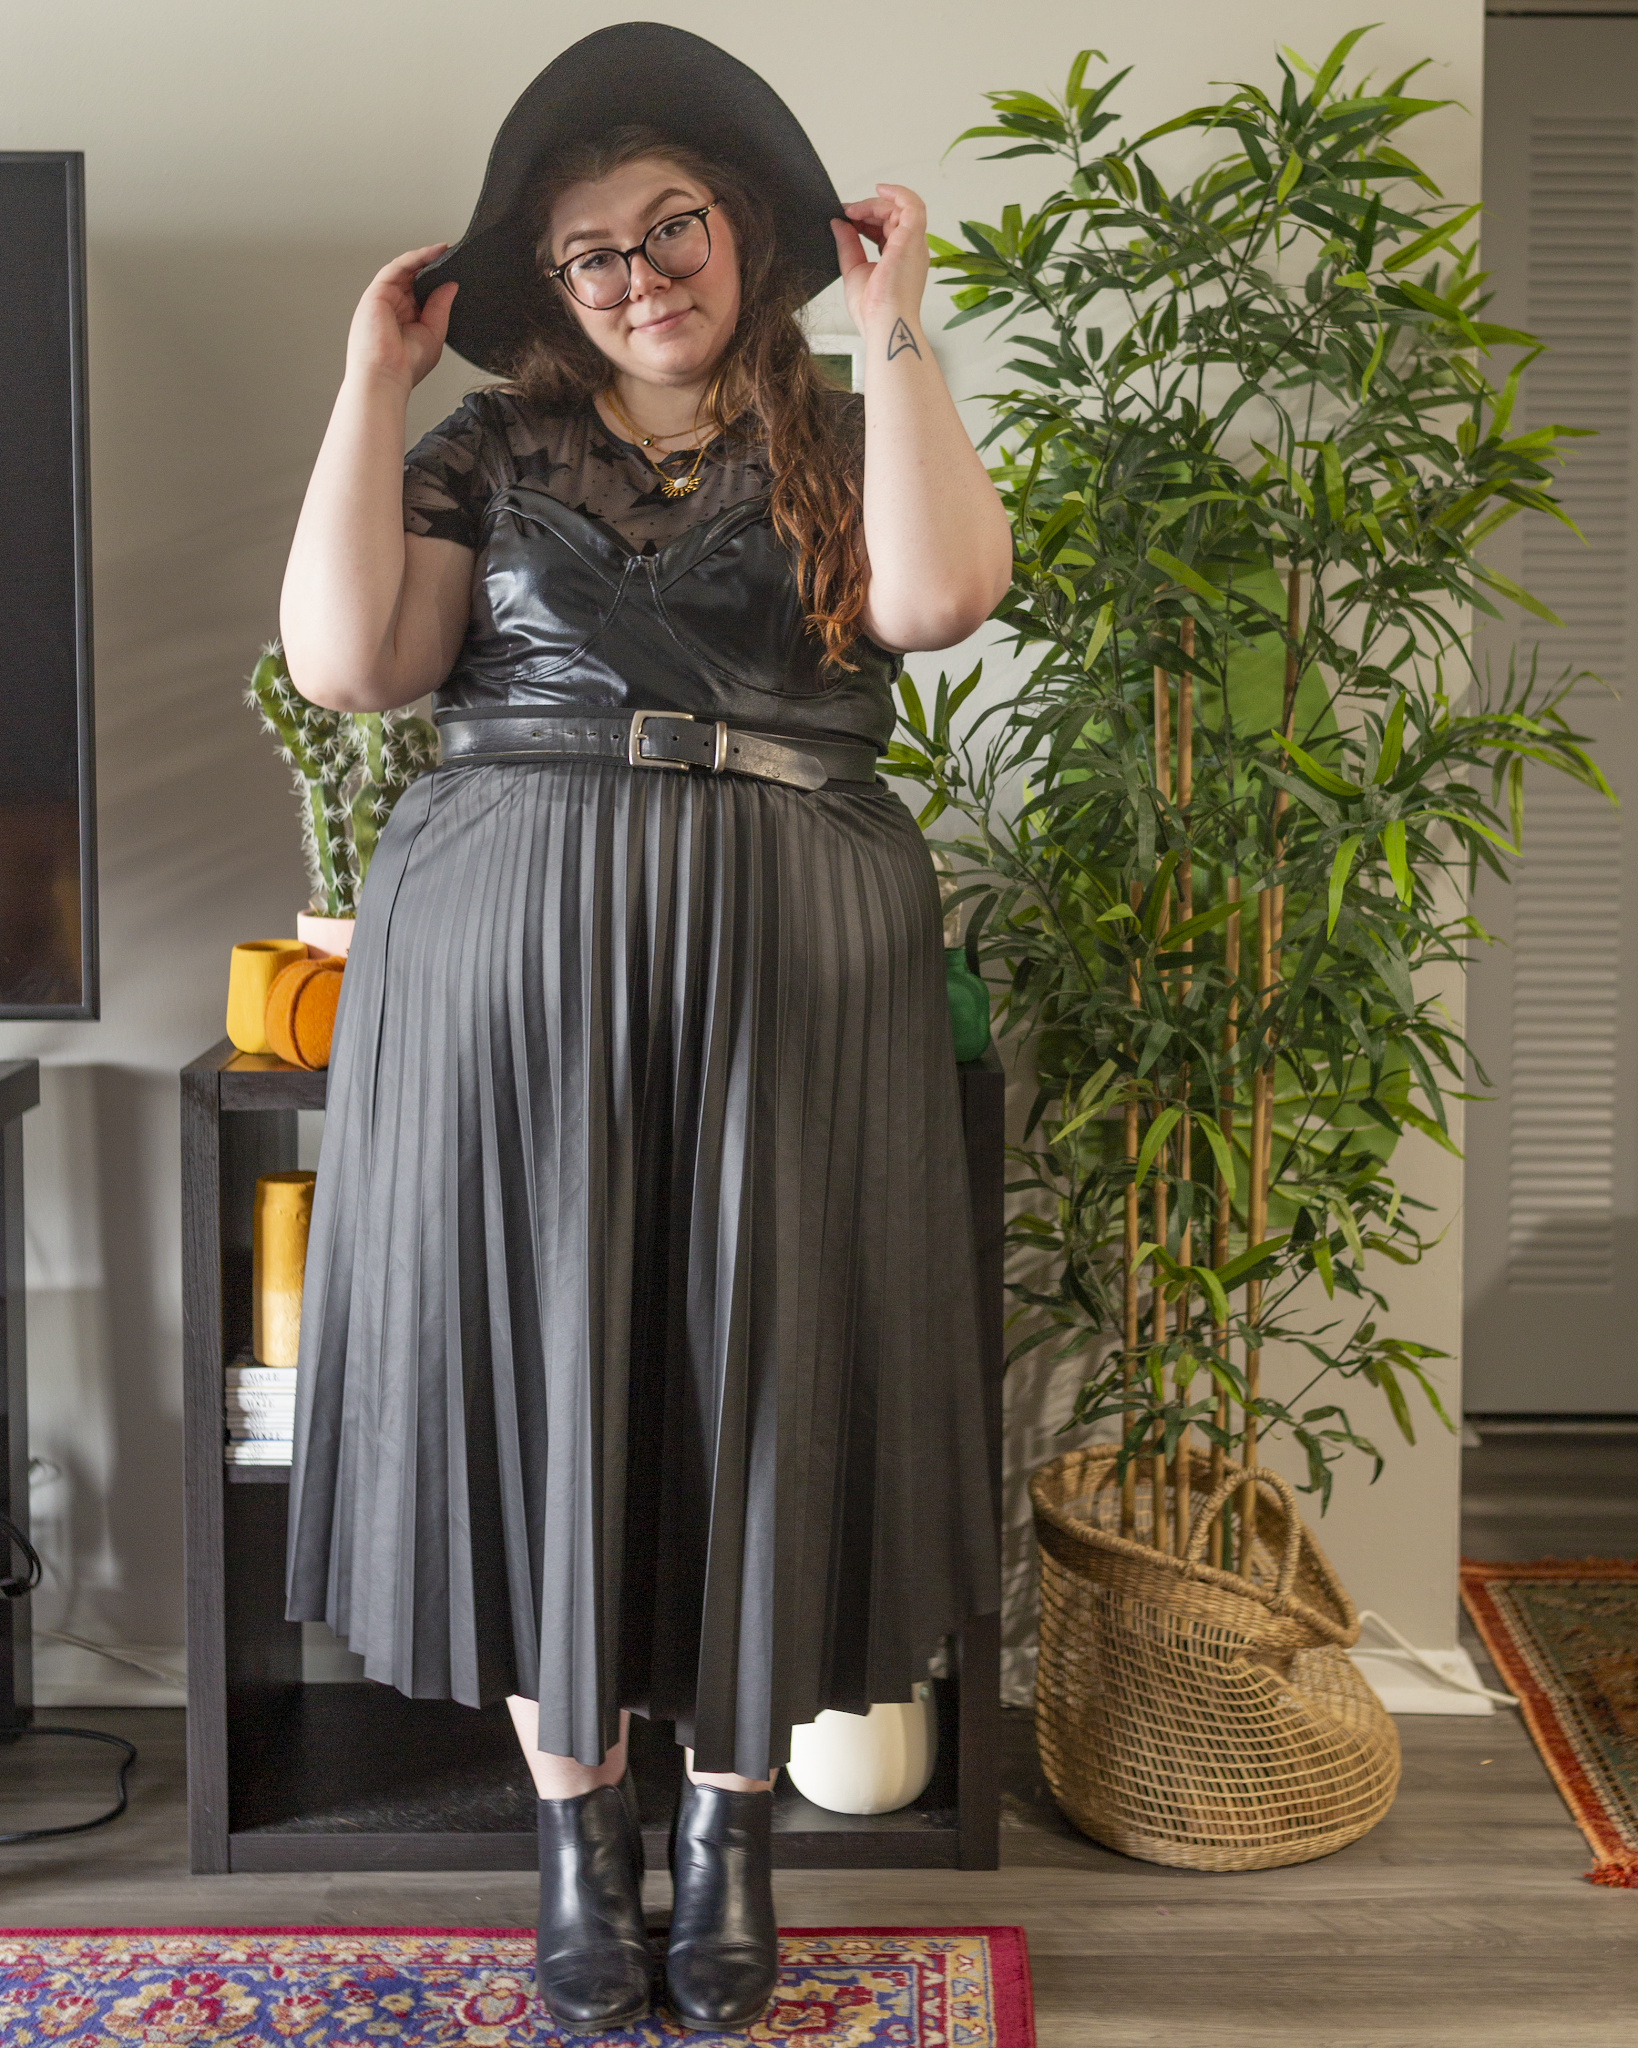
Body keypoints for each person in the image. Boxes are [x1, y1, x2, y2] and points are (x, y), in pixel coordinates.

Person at [279, 21, 1008, 2036]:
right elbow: (353, 663)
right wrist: (370, 379)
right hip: (504, 965)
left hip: (796, 951)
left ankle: (732, 1830)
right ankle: (574, 1838)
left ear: (744, 229)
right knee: (543, 1379)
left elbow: (942, 603)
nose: (635, 273)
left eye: (669, 225)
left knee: (762, 1373)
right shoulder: (483, 447)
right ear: (549, 287)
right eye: (588, 253)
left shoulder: (849, 434)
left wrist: (898, 333)